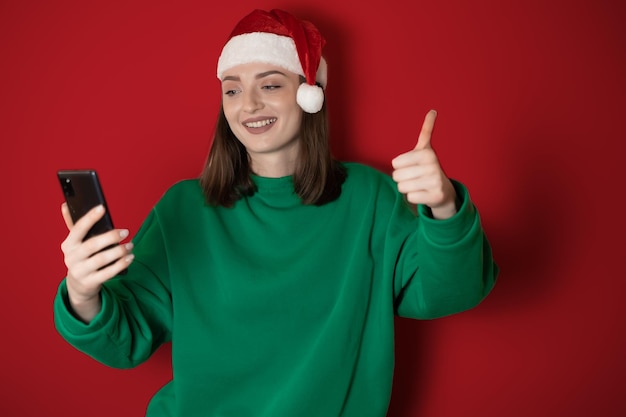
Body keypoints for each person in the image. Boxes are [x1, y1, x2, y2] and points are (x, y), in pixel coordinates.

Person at [54, 8, 498, 417]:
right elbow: (125, 340)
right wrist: (83, 292)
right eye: (232, 89)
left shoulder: (370, 199)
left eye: (269, 84)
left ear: (310, 95)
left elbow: (454, 291)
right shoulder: (183, 209)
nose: (247, 105)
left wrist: (443, 207)